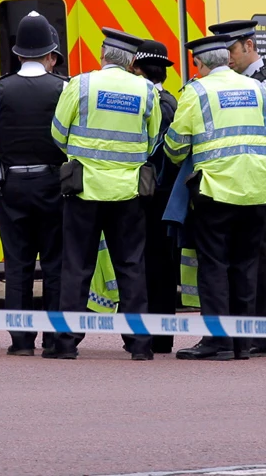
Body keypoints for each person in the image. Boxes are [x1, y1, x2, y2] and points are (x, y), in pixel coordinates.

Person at [166, 34, 266, 360]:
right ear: (227, 59)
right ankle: (242, 342)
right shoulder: (259, 90)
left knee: (215, 266)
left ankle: (218, 341)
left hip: (216, 192)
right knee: (247, 266)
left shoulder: (197, 91)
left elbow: (176, 146)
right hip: (259, 191)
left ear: (200, 63)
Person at [50, 28, 161, 360]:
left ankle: (67, 343)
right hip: (128, 192)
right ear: (131, 61)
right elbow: (152, 139)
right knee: (131, 266)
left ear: (103, 54)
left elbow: (57, 131)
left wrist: (80, 155)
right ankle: (139, 344)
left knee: (76, 266)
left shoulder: (81, 84)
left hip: (84, 188)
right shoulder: (145, 90)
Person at [0, 12, 67, 356]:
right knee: (55, 263)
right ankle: (54, 340)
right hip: (54, 185)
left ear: (19, 53)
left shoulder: (0, 89)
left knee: (18, 265)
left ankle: (22, 342)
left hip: (12, 189)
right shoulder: (63, 87)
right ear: (50, 54)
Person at [209, 19, 266, 356]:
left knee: (259, 262)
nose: (227, 57)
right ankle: (244, 333)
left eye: (232, 50)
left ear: (249, 46)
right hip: (237, 188)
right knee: (242, 263)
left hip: (261, 187)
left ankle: (258, 334)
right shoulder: (238, 83)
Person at [131, 40, 181, 354]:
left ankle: (142, 336)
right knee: (164, 268)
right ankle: (162, 338)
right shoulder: (174, 102)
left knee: (140, 265)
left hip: (141, 194)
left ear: (137, 70)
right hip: (167, 196)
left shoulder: (140, 103)